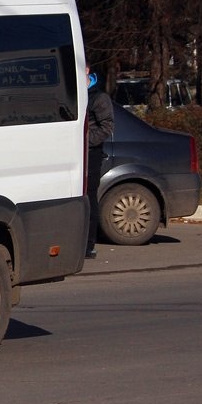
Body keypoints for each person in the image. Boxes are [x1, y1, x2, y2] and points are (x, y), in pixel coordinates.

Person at [85, 65, 115, 259]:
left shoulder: (99, 97)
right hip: (76, 154)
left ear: (87, 70)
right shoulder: (75, 93)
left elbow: (106, 127)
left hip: (92, 154)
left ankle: (89, 244)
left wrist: (83, 141)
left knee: (89, 197)